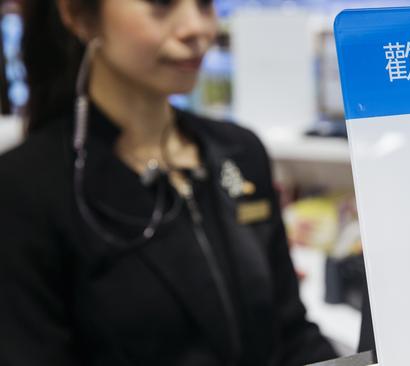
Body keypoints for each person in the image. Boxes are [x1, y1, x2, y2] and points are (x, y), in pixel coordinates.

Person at [0, 0, 337, 365]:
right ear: (80, 16)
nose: (197, 28)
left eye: (205, 4)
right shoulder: (26, 188)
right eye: (161, 3)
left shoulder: (239, 152)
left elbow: (291, 333)